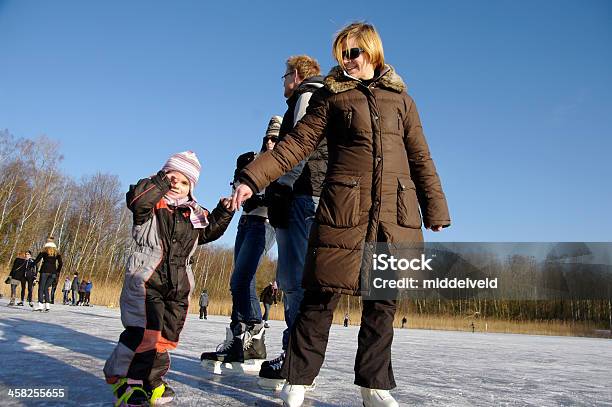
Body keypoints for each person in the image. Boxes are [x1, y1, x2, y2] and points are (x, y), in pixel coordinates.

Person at [232, 22, 451, 407]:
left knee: (382, 303)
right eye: (341, 54)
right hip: (343, 211)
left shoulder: (403, 101)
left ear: (372, 52)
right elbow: (295, 144)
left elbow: (421, 158)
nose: (346, 61)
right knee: (320, 297)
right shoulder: (332, 98)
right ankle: (299, 379)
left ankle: (374, 385)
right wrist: (253, 177)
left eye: (353, 53)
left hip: (393, 215)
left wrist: (434, 207)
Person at [103, 151, 234, 406]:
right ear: (162, 176)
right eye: (172, 177)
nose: (177, 184)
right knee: (143, 332)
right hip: (146, 279)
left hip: (178, 285)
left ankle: (152, 380)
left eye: (184, 181)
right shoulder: (150, 204)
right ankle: (127, 380)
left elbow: (206, 233)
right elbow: (137, 200)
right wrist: (162, 181)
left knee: (165, 337)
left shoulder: (193, 214)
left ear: (192, 187)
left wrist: (224, 212)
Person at [258, 55, 328, 387]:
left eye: (284, 75)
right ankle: (293, 352)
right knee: (289, 278)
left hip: (303, 194)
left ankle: (296, 358)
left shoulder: (307, 95)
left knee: (296, 279)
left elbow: (301, 146)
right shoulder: (303, 100)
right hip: (298, 194)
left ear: (296, 75)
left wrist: (281, 187)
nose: (283, 81)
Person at [200, 117, 279, 369]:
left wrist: (260, 197)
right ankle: (242, 341)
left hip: (265, 223)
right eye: (267, 136)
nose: (270, 142)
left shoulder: (283, 163)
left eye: (276, 138)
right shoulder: (251, 159)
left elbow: (277, 197)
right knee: (242, 280)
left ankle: (254, 332)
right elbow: (240, 190)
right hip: (245, 223)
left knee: (241, 278)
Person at [33, 238, 63, 312]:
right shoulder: (57, 253)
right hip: (53, 272)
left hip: (45, 271)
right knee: (46, 288)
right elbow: (61, 263)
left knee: (41, 288)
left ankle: (40, 305)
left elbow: (37, 260)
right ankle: (47, 306)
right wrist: (57, 271)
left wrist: (30, 266)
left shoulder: (44, 251)